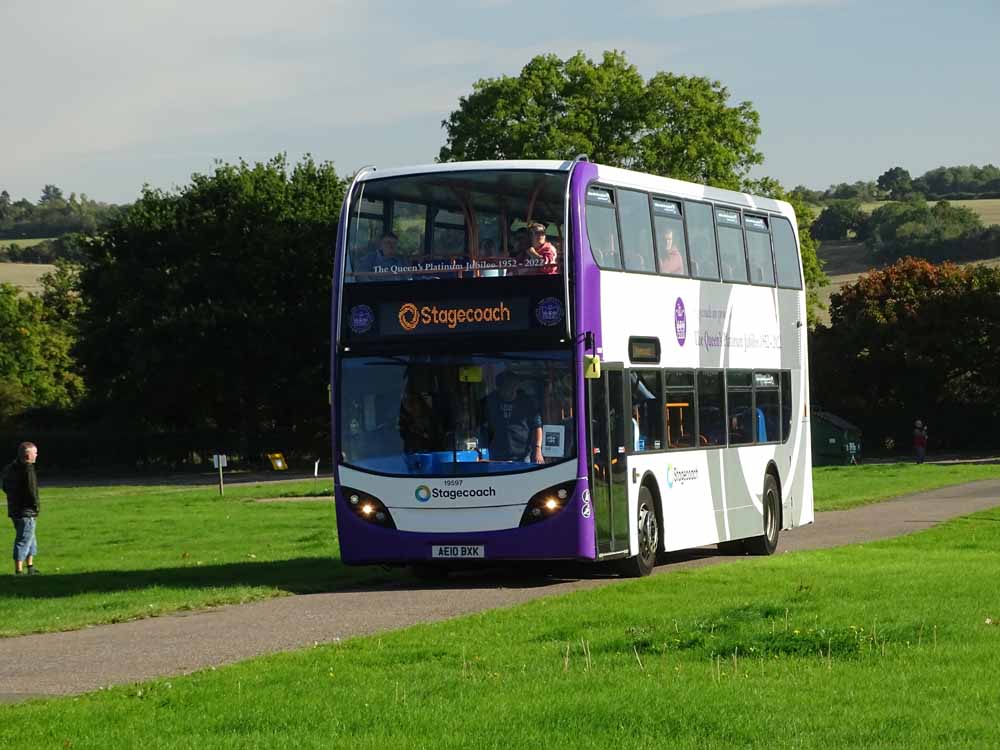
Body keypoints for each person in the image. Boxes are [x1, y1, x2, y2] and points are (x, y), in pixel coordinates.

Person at [480, 372, 544, 464]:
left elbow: (537, 427)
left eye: (512, 385)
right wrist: (479, 453)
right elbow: (479, 427)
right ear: (499, 387)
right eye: (505, 386)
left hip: (523, 455)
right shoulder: (489, 402)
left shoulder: (527, 402)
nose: (509, 389)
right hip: (495, 456)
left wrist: (537, 450)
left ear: (517, 386)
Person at [3, 442, 40, 575]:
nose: (36, 455)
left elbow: (5, 487)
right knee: (24, 539)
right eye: (34, 452)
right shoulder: (28, 469)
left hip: (14, 510)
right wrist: (35, 506)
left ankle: (30, 567)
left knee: (31, 539)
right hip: (26, 511)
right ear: (27, 455)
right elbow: (32, 490)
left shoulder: (10, 468)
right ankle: (18, 570)